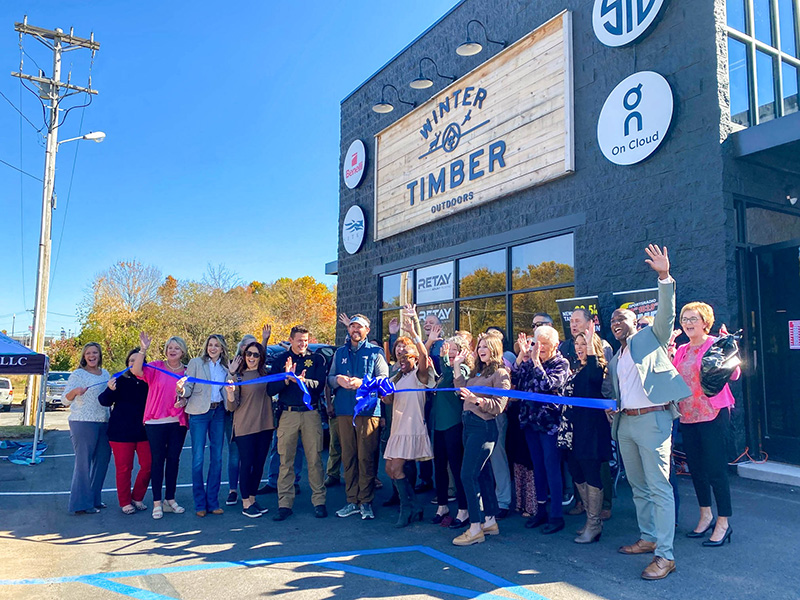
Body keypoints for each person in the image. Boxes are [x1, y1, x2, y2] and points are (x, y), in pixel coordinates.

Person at [606, 244, 690, 580]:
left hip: (654, 420)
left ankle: (665, 556)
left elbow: (667, 313)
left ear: (635, 322)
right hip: (626, 423)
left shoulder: (650, 338)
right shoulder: (616, 357)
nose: (615, 322)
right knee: (638, 486)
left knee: (659, 487)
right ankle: (648, 537)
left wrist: (664, 276)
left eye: (621, 318)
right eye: (612, 319)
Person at [672, 302, 739, 547]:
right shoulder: (681, 350)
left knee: (716, 470)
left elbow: (734, 374)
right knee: (696, 469)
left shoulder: (715, 344)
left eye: (693, 319)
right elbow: (673, 377)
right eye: (685, 319)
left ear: (705, 322)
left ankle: (723, 522)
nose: (688, 323)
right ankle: (705, 515)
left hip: (713, 414)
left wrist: (729, 348)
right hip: (688, 415)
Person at [328, 314, 389, 520]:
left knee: (366, 458)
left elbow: (384, 380)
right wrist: (338, 380)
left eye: (359, 327)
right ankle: (351, 500)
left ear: (367, 330)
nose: (355, 330)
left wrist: (361, 383)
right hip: (344, 411)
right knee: (349, 457)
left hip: (368, 412)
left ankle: (366, 501)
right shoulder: (340, 352)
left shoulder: (375, 352)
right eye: (352, 326)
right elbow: (329, 378)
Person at [451, 333, 511, 546]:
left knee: (468, 475)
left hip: (484, 427)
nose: (481, 349)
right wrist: (457, 366)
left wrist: (476, 400)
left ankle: (475, 527)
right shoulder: (477, 372)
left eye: (486, 346)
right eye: (480, 346)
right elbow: (461, 389)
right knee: (483, 473)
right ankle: (490, 520)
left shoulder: (501, 373)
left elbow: (499, 406)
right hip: (469, 425)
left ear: (494, 349)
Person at [513, 325, 570, 534]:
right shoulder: (531, 360)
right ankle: (541, 510)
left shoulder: (561, 364)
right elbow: (517, 380)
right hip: (530, 423)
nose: (541, 347)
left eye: (545, 344)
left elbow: (547, 386)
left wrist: (536, 361)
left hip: (549, 424)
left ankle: (556, 515)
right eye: (538, 343)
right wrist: (522, 356)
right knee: (537, 467)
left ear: (555, 344)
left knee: (551, 467)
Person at [559, 308, 615, 520]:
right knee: (579, 466)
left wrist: (607, 408)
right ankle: (584, 504)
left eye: (577, 321)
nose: (573, 324)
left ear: (589, 323)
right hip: (575, 424)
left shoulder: (600, 347)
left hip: (595, 419)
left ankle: (604, 506)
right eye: (571, 321)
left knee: (597, 466)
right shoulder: (569, 348)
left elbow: (603, 380)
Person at [267, 326, 328, 520]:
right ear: (291, 340)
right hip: (288, 414)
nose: (303, 344)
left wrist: (301, 382)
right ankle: (284, 504)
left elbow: (319, 386)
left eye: (306, 340)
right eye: (299, 340)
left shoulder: (317, 359)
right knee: (285, 461)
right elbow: (270, 389)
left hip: (311, 414)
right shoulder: (280, 361)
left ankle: (319, 502)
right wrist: (286, 379)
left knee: (315, 459)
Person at [383, 308, 435, 527]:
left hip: (411, 428)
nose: (402, 359)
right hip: (397, 427)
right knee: (389, 470)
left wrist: (414, 332)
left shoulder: (419, 375)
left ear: (414, 358)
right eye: (399, 357)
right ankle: (415, 506)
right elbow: (388, 401)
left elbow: (424, 355)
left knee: (396, 469)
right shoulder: (398, 377)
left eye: (406, 356)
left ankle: (407, 509)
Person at [131, 332, 189, 519]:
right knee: (157, 461)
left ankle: (169, 500)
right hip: (155, 421)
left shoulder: (187, 372)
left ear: (183, 352)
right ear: (165, 350)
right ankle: (157, 502)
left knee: (173, 460)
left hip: (177, 421)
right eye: (170, 347)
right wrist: (143, 349)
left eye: (177, 348)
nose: (172, 350)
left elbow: (191, 394)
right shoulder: (156, 366)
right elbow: (136, 371)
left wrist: (184, 400)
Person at [565, 329, 612, 543]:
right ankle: (589, 520)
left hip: (592, 431)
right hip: (576, 431)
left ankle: (594, 524)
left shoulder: (597, 367)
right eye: (577, 344)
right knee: (577, 472)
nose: (579, 347)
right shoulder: (578, 369)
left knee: (591, 473)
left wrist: (592, 349)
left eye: (584, 344)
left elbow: (594, 374)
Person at [176, 334, 229, 517]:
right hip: (199, 413)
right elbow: (188, 387)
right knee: (198, 458)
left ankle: (213, 501)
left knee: (217, 458)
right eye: (210, 345)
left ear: (222, 348)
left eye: (216, 345)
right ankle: (200, 503)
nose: (212, 348)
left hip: (219, 412)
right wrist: (181, 389)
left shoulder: (226, 367)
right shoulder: (195, 363)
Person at [98, 347, 151, 515]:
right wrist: (110, 389)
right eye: (131, 361)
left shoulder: (149, 381)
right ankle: (125, 501)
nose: (134, 363)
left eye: (138, 360)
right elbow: (104, 401)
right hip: (120, 432)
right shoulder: (119, 380)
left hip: (144, 431)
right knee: (123, 468)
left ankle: (137, 497)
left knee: (148, 465)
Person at [225, 341, 274, 518]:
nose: (251, 357)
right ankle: (245, 502)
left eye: (255, 355)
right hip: (245, 426)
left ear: (261, 358)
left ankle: (252, 499)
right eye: (248, 354)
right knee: (247, 465)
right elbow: (232, 407)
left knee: (259, 464)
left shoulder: (266, 374)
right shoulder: (238, 377)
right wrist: (230, 393)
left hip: (265, 425)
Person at [63, 342, 111, 515]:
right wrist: (75, 391)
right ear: (84, 356)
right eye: (88, 353)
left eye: (95, 353)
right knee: (83, 463)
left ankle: (94, 499)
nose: (92, 356)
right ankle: (80, 504)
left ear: (99, 355)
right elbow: (64, 400)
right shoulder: (78, 374)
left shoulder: (105, 373)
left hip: (104, 422)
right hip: (82, 422)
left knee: (103, 461)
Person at [431, 336, 472, 528]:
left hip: (454, 424)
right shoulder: (444, 369)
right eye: (448, 348)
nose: (449, 352)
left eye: (454, 349)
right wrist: (443, 360)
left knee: (457, 467)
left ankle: (464, 509)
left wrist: (449, 361)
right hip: (438, 424)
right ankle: (442, 505)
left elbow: (455, 385)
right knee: (439, 467)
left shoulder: (461, 369)